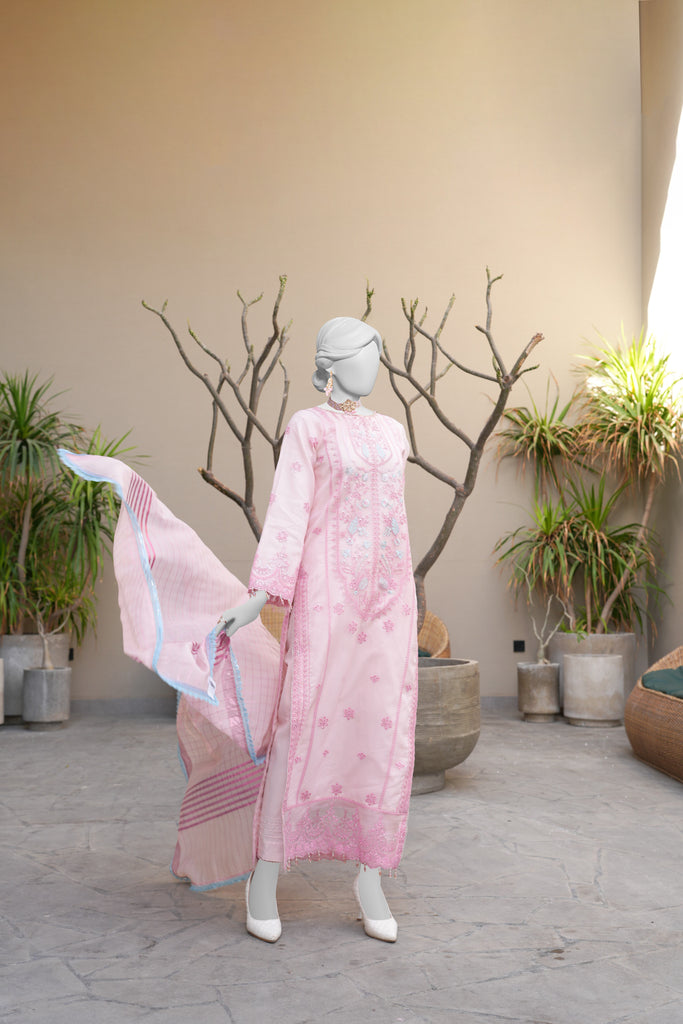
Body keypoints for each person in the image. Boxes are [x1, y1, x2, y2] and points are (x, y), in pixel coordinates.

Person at [218, 316, 418, 943]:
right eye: (364, 354)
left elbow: (394, 520)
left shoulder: (392, 432)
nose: (374, 365)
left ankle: (370, 879)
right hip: (326, 600)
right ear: (332, 364)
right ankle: (265, 877)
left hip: (388, 606)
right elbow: (288, 513)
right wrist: (259, 596)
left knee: (381, 732)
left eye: (378, 354)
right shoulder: (307, 428)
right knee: (301, 726)